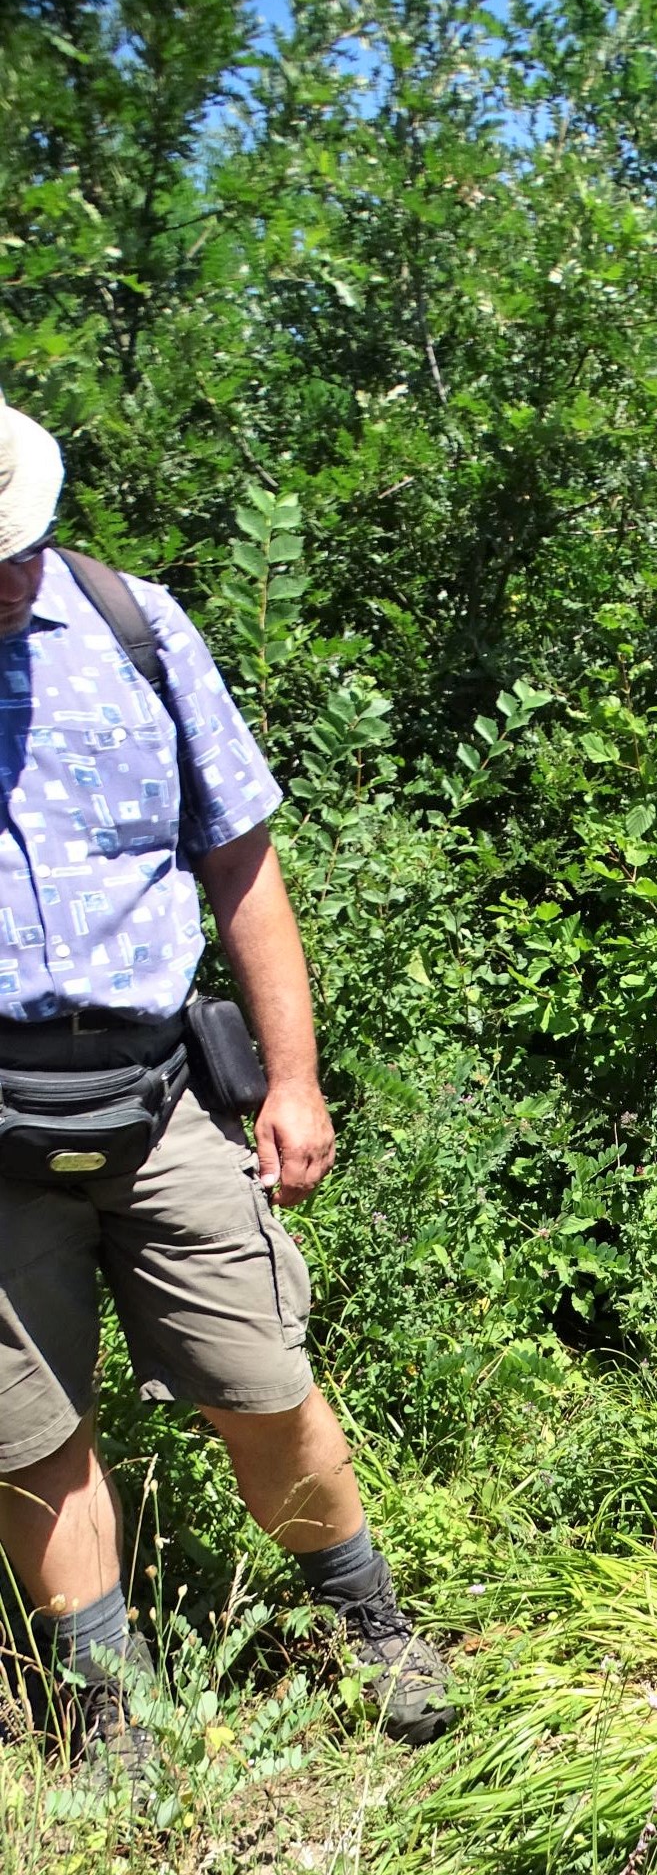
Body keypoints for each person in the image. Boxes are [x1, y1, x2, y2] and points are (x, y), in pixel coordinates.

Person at [0, 392, 452, 1764]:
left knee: (256, 1376)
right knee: (27, 1431)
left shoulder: (136, 628)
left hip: (157, 1097)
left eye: (11, 549)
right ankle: (105, 1711)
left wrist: (293, 1082)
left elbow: (241, 862)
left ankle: (369, 1628)